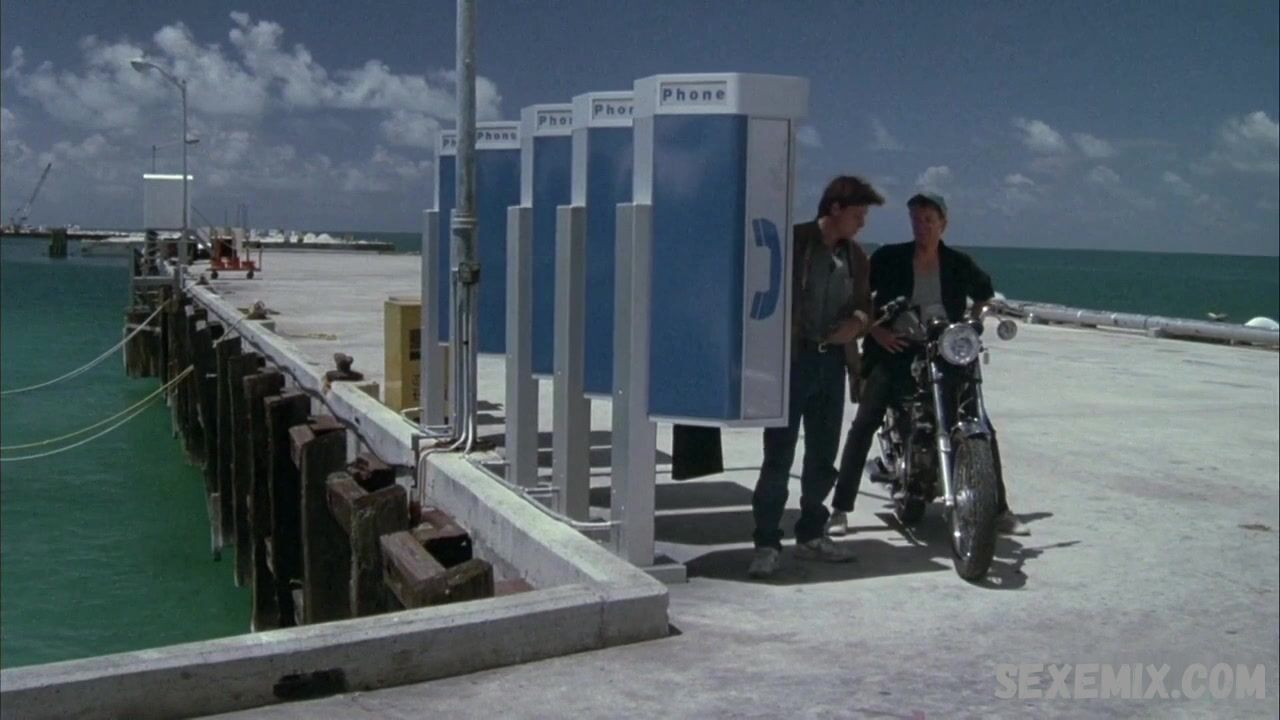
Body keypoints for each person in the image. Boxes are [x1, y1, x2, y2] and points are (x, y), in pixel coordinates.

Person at [828, 191, 1029, 537]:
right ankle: (839, 509)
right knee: (865, 423)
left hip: (943, 351)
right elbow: (857, 298)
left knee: (979, 422)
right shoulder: (890, 258)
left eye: (928, 220)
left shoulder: (957, 262)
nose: (921, 226)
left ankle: (999, 510)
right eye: (916, 220)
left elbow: (984, 296)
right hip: (894, 350)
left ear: (943, 224)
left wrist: (973, 323)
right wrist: (876, 331)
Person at [748, 176, 883, 579]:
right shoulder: (793, 243)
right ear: (835, 209)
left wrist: (855, 325)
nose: (862, 223)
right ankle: (766, 543)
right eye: (858, 214)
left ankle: (811, 535)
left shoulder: (856, 256)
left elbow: (864, 306)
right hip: (792, 362)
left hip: (831, 366)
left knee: (823, 456)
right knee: (779, 455)